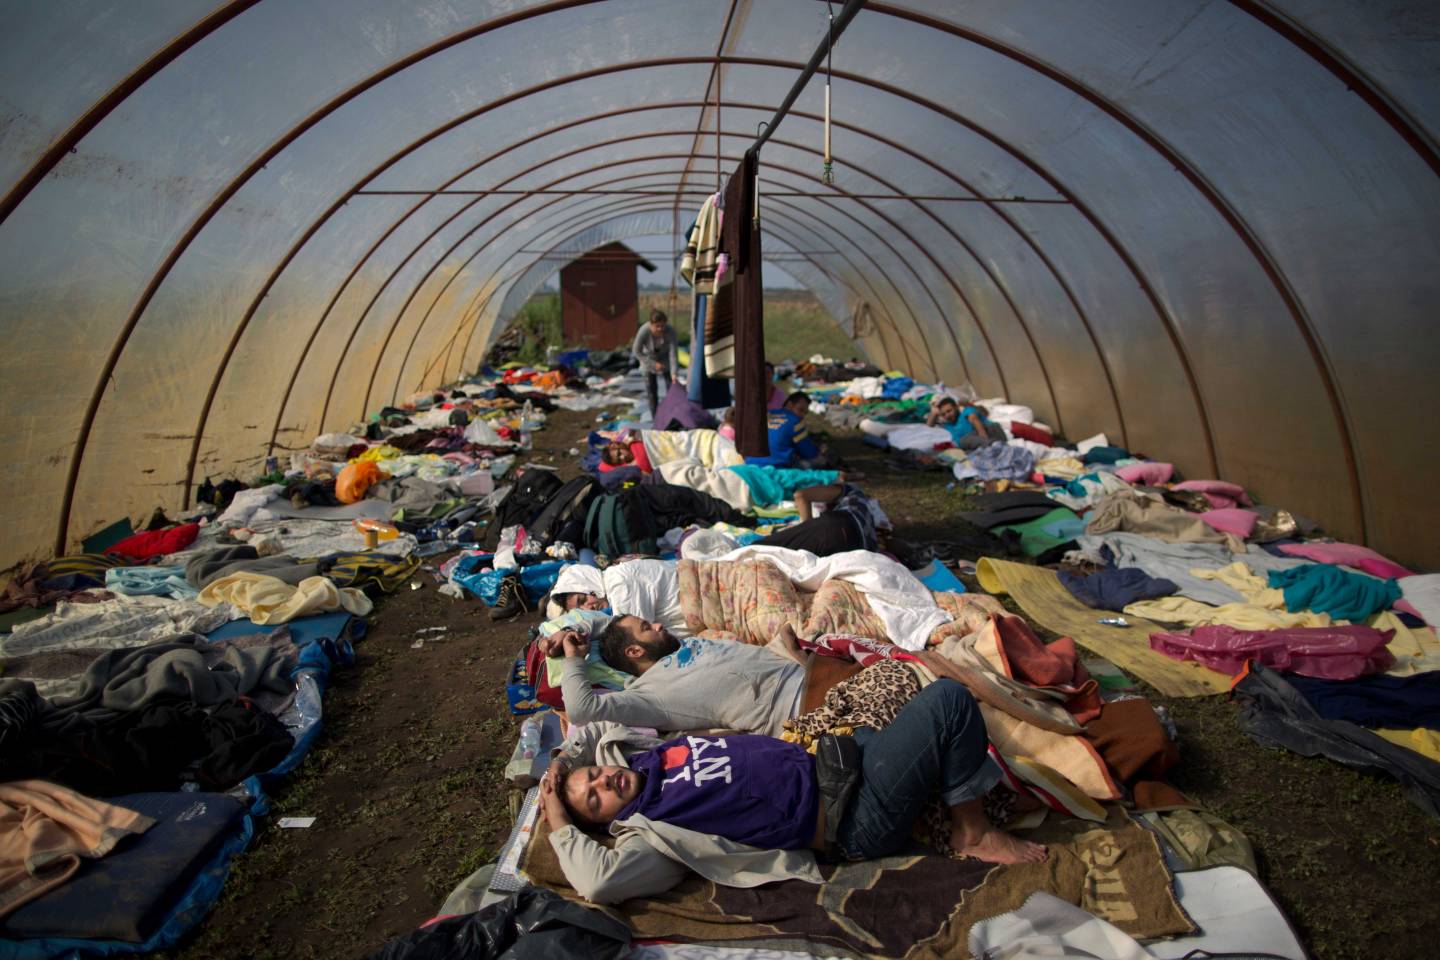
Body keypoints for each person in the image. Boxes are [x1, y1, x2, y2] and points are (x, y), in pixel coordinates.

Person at [539, 678, 1047, 905]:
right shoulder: (654, 832)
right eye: (595, 799)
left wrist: (563, 764)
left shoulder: (641, 759)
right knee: (949, 701)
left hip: (840, 761)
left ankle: (953, 790)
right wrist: (556, 814)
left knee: (894, 681)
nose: (603, 781)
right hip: (854, 814)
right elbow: (599, 882)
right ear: (607, 822)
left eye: (596, 775)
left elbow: (592, 730)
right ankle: (972, 832)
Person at [753, 482, 924, 568]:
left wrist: (805, 526)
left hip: (836, 527)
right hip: (847, 552)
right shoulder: (872, 546)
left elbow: (801, 495)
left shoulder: (852, 493)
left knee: (756, 549)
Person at [745, 392, 831, 469]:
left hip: (749, 463)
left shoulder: (767, 414)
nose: (802, 416)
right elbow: (809, 453)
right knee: (819, 461)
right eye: (800, 410)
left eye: (805, 413)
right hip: (775, 467)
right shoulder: (795, 422)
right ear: (789, 405)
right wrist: (820, 450)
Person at [631, 310, 680, 413]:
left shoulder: (670, 332)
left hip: (665, 358)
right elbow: (636, 351)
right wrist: (653, 364)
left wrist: (674, 373)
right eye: (657, 326)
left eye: (663, 326)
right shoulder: (644, 331)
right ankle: (655, 416)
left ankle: (672, 413)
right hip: (648, 359)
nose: (660, 329)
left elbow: (673, 354)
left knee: (671, 388)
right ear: (651, 324)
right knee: (652, 391)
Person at [926, 397, 1002, 449]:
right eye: (943, 414)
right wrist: (934, 413)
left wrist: (986, 441)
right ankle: (992, 445)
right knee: (963, 441)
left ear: (956, 407)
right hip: (977, 443)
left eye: (949, 411)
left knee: (966, 439)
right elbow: (927, 429)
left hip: (991, 434)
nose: (947, 415)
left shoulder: (966, 412)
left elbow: (976, 421)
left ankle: (994, 445)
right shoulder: (947, 427)